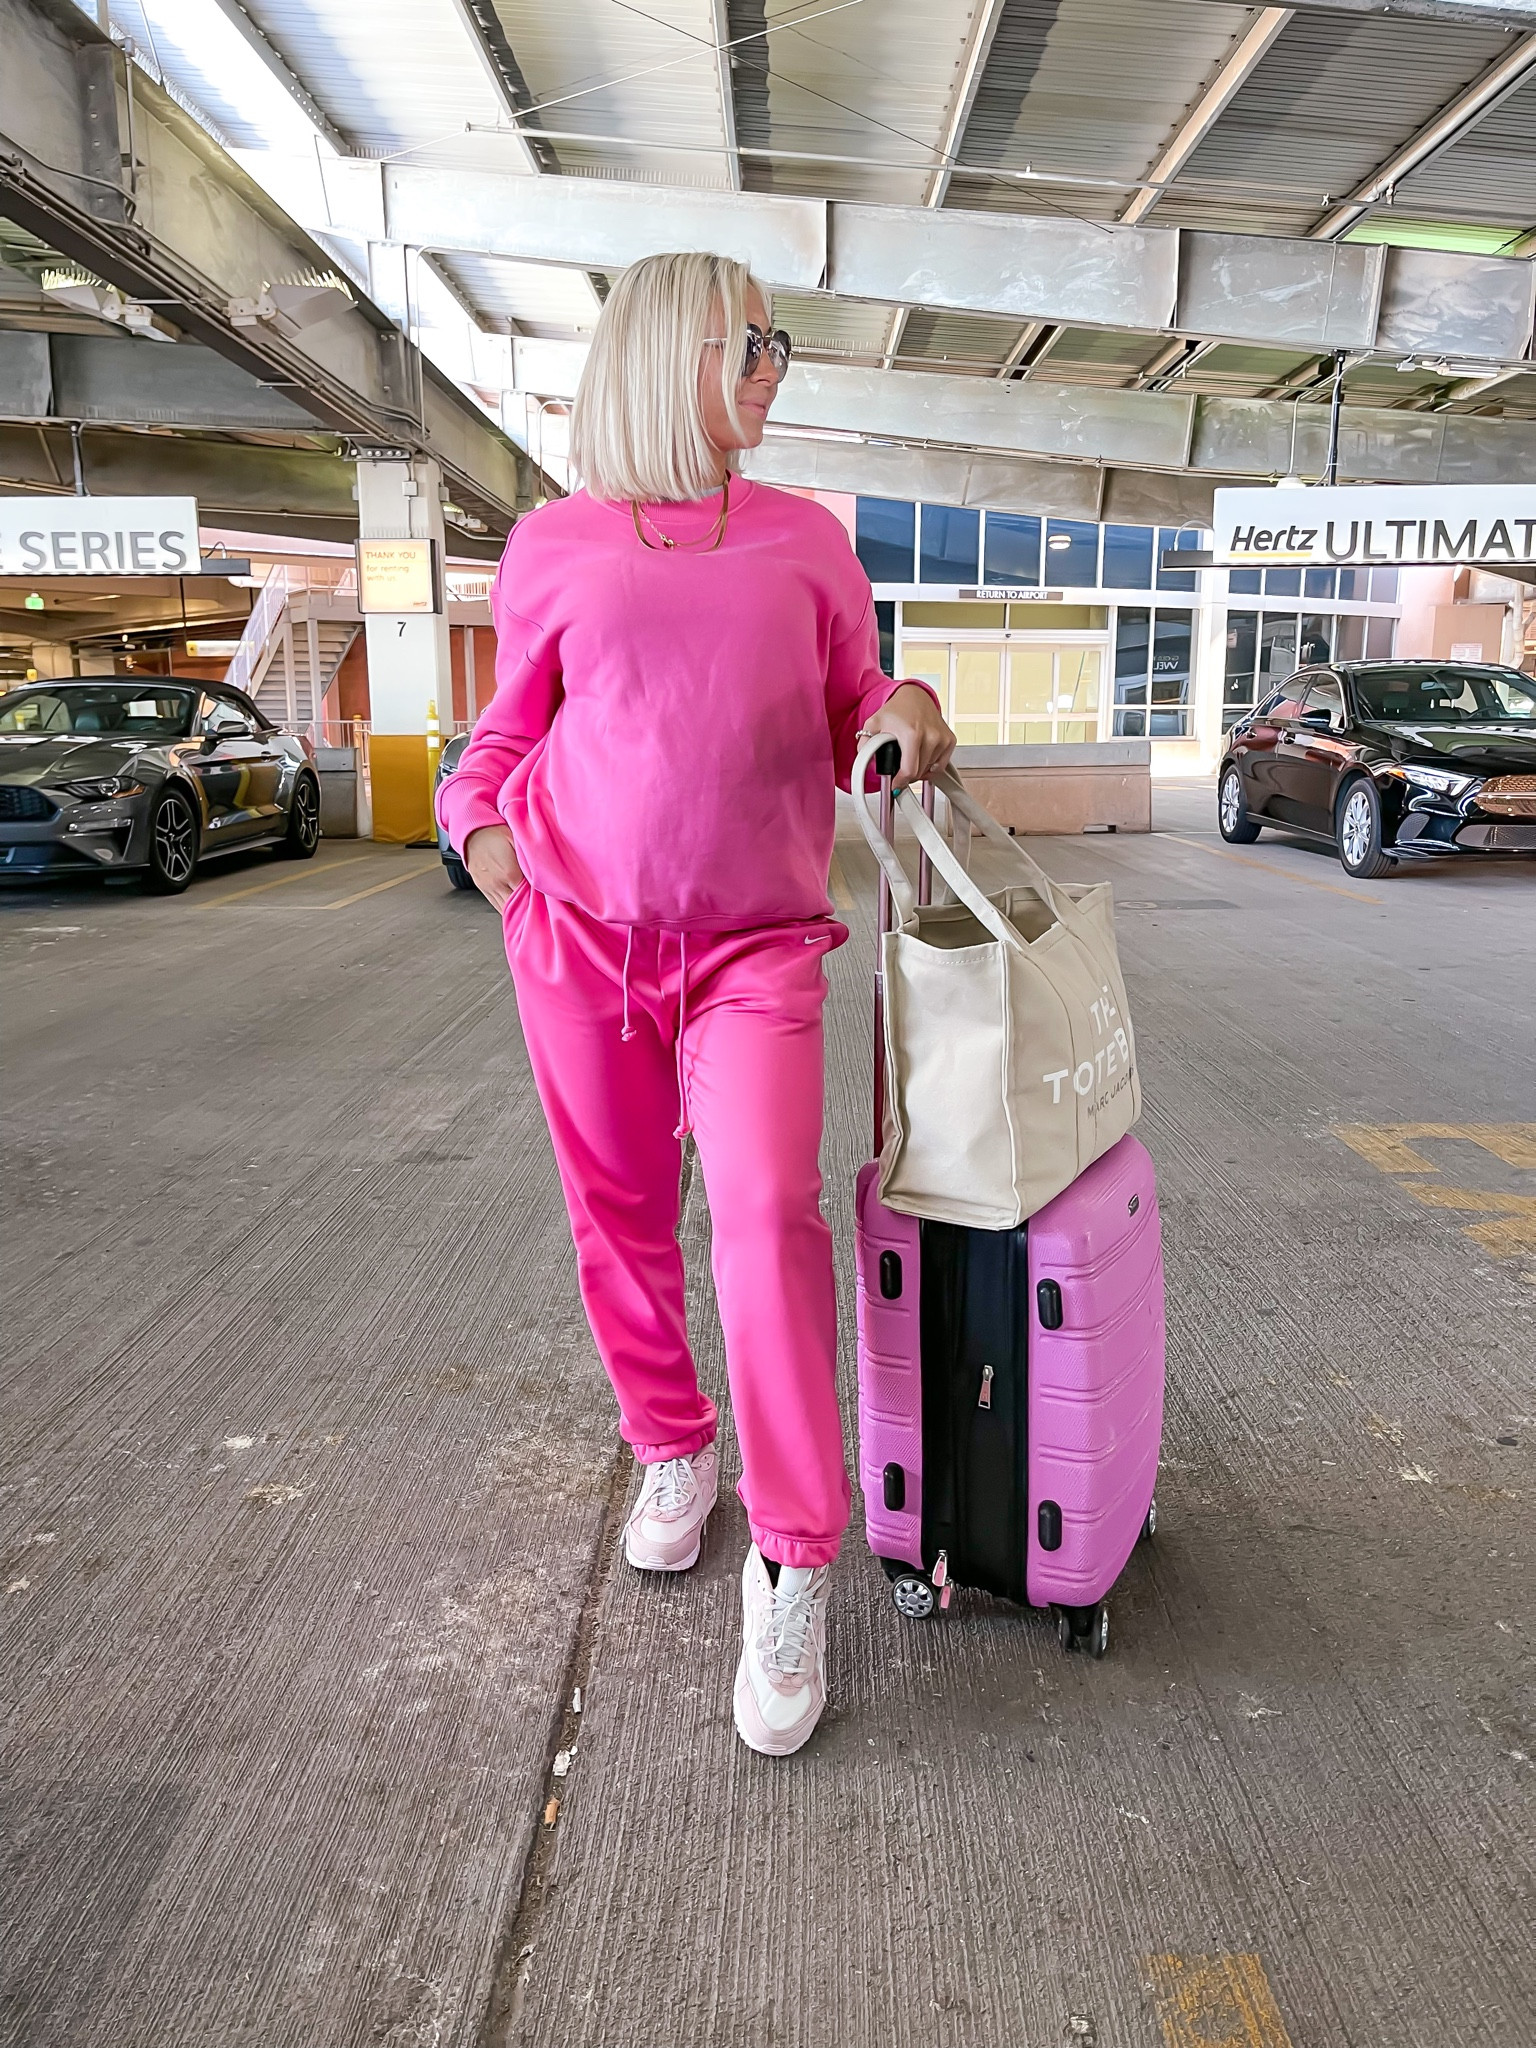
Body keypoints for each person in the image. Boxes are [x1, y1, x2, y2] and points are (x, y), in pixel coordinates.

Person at [437, 250, 954, 1756]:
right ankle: (674, 1445)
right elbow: (497, 741)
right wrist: (493, 861)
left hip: (757, 954)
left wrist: (906, 714)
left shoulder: (805, 538)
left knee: (769, 1222)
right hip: (578, 940)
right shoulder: (554, 544)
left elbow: (864, 695)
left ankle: (794, 1557)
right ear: (673, 360)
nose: (775, 369)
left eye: (779, 343)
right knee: (618, 1218)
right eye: (750, 346)